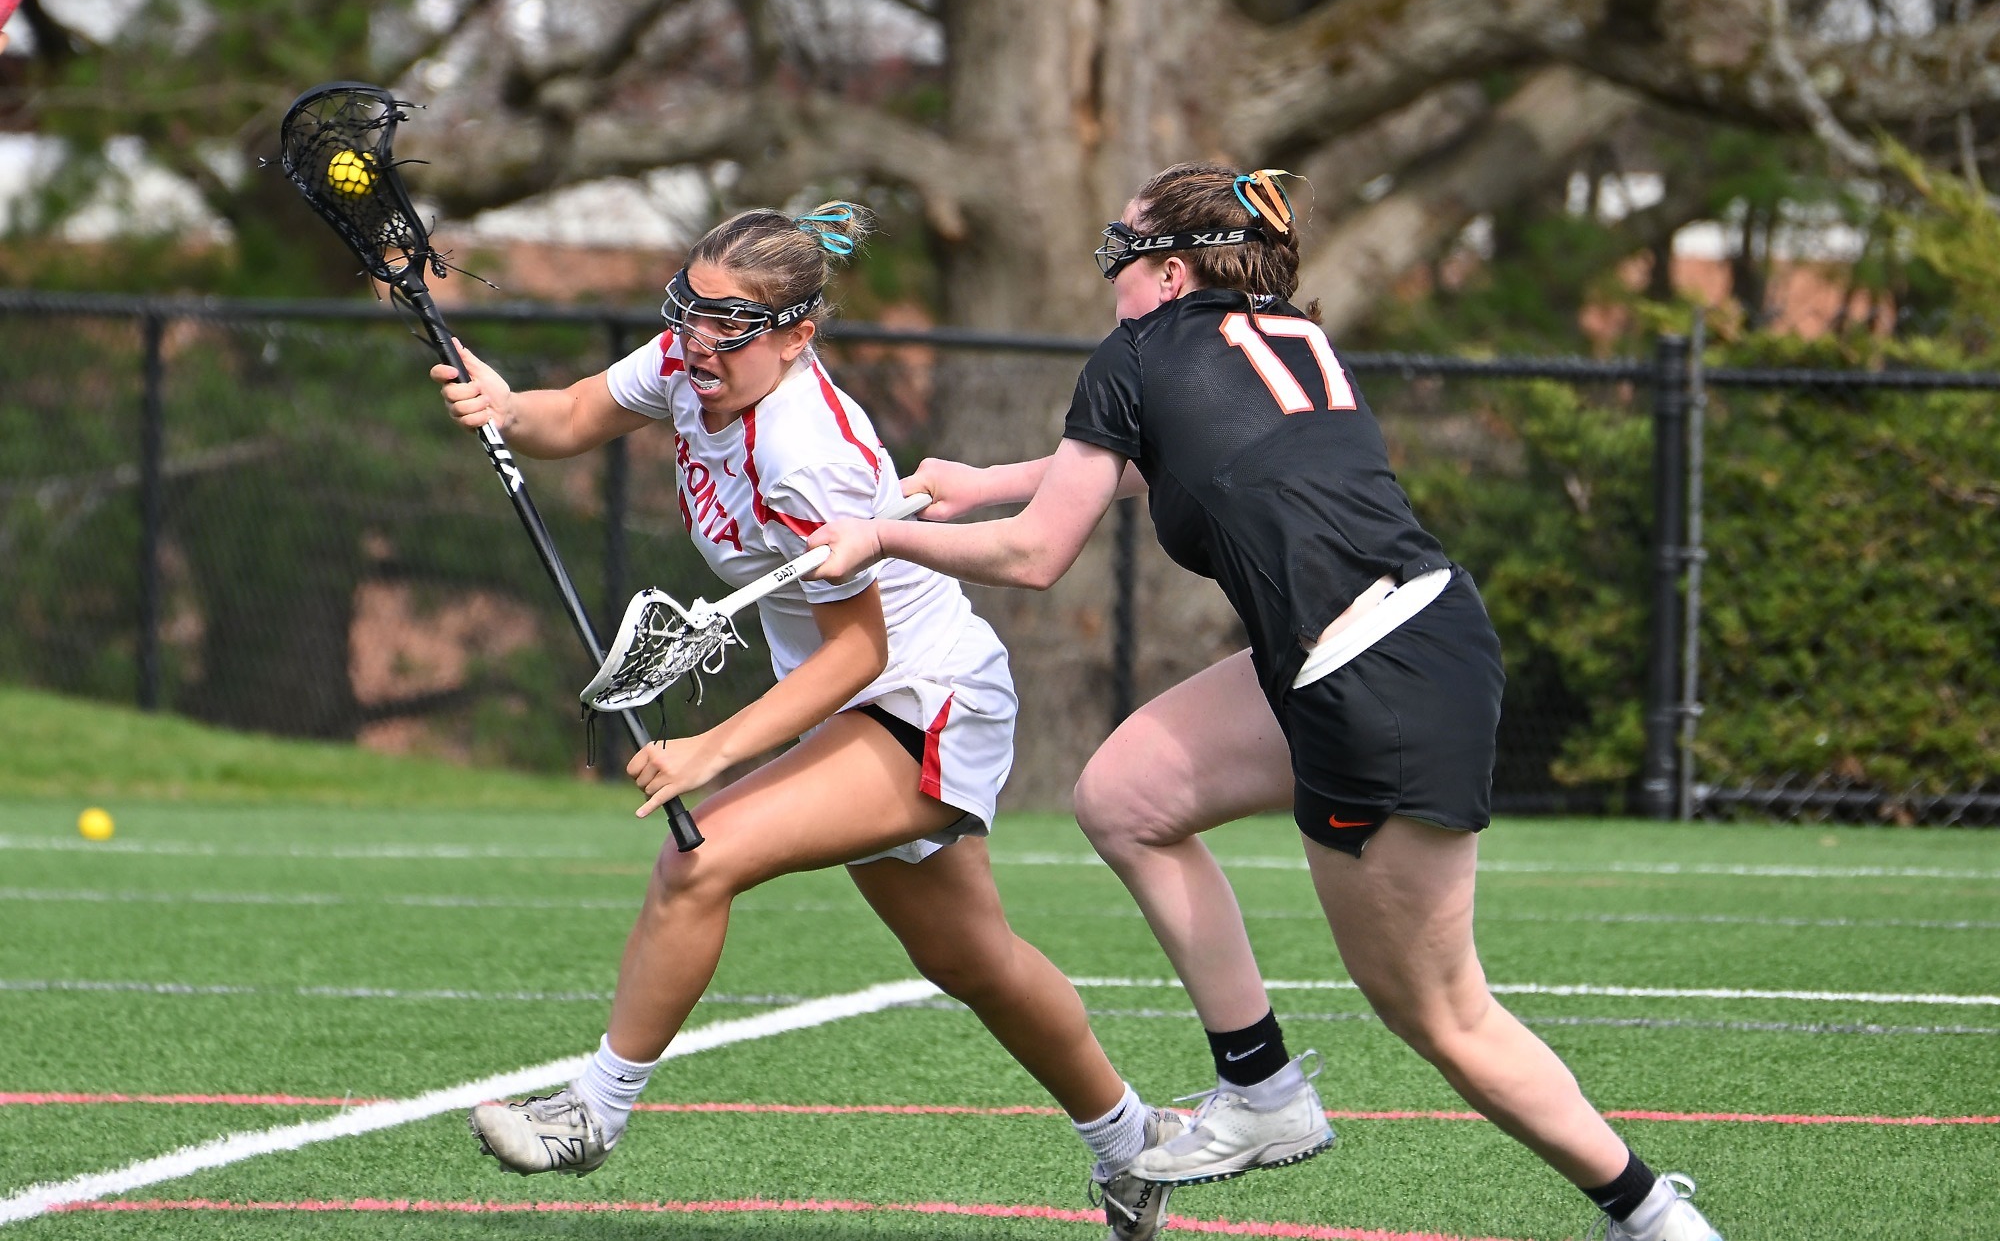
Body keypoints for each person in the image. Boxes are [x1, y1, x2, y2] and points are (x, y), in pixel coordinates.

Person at [807, 164, 1727, 1241]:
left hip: (1364, 675)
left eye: (1122, 250)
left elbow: (1037, 552)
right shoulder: (1284, 333)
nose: (1110, 272)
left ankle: (1648, 1211)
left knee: (1439, 1011)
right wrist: (992, 475)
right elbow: (1191, 458)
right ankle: (1259, 1085)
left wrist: (879, 536)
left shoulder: (1138, 352)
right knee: (1125, 794)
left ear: (1165, 269)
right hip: (1391, 638)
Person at [432, 202, 1184, 1241]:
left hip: (922, 698)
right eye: (688, 312)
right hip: (850, 701)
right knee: (971, 960)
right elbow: (565, 419)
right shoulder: (687, 361)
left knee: (699, 859)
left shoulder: (805, 453)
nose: (698, 342)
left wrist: (712, 747)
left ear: (797, 332)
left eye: (729, 325)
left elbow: (859, 652)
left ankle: (590, 1113)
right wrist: (504, 405)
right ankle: (1134, 1144)